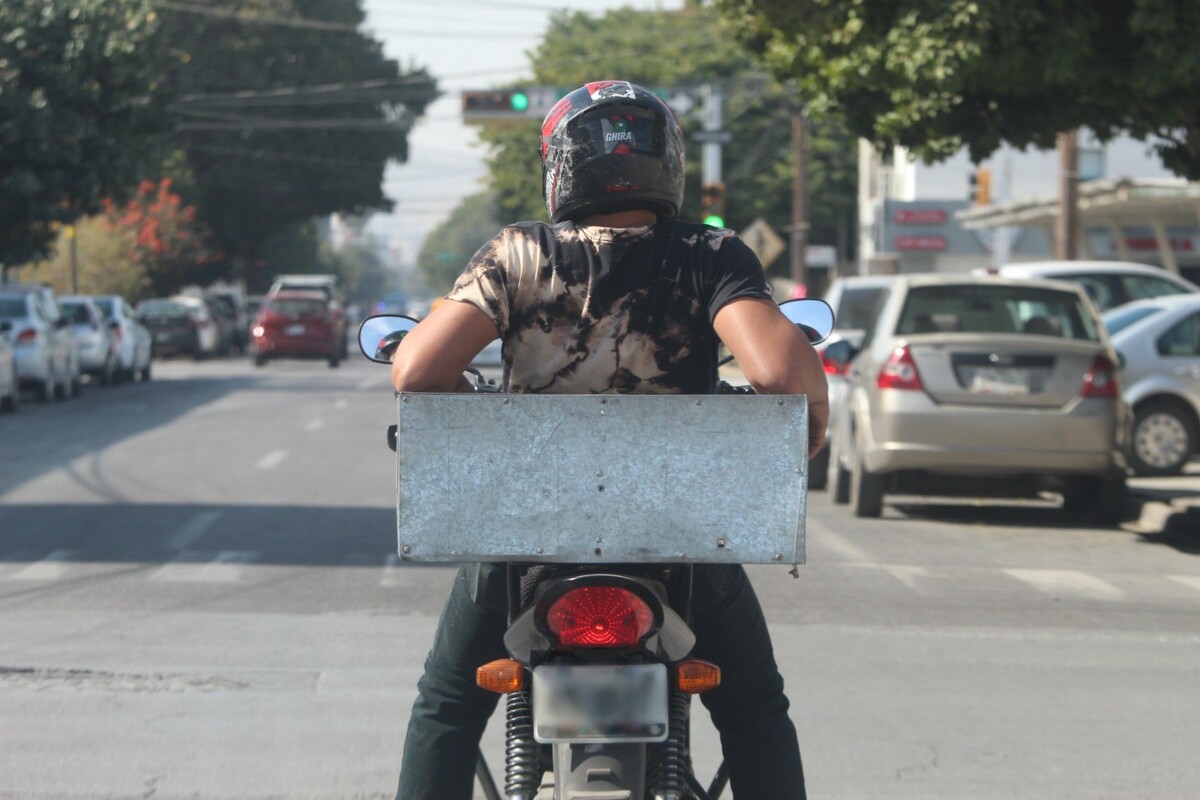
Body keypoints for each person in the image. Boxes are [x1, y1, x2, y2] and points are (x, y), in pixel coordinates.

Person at [389, 80, 829, 799]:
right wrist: (815, 417)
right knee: (753, 710)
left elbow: (416, 372)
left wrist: (482, 415)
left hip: (526, 538)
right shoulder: (712, 254)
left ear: (560, 165)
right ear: (669, 161)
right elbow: (779, 372)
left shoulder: (517, 254)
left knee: (448, 704)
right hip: (680, 538)